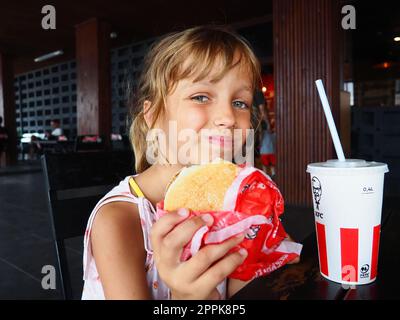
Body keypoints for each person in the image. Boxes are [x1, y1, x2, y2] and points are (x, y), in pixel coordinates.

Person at [82, 25, 298, 300]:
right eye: (200, 96)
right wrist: (187, 296)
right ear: (152, 116)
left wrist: (262, 256)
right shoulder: (119, 222)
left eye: (240, 102)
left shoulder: (231, 203)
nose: (229, 118)